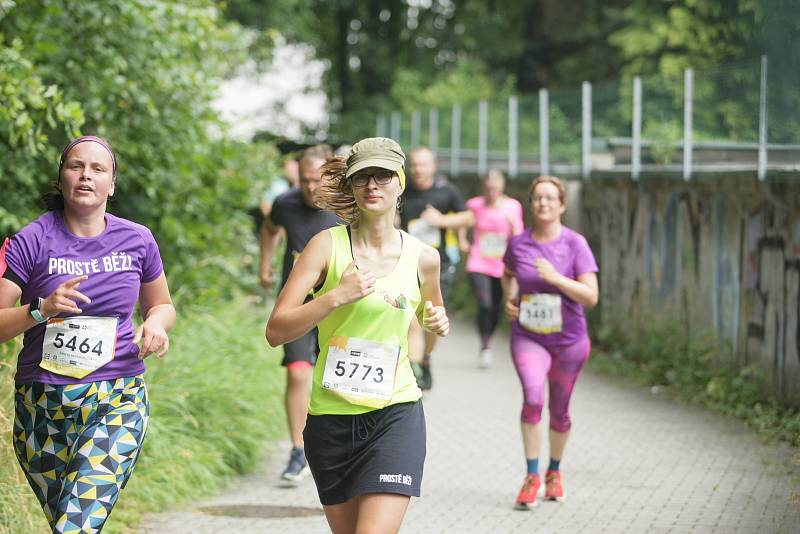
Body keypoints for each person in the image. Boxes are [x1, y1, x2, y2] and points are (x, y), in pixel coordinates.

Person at [266, 137, 449, 533]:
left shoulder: (424, 258)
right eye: (362, 177)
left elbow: (432, 315)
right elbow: (276, 330)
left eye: (382, 176)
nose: (372, 185)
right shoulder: (324, 247)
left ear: (400, 183)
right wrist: (335, 297)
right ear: (350, 185)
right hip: (331, 420)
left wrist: (437, 325)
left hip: (395, 414)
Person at [0, 136, 176, 533]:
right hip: (42, 408)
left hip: (117, 398)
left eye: (98, 169)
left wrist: (155, 324)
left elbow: (162, 305)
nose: (86, 176)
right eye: (76, 166)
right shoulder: (31, 240)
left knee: (76, 525)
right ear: (61, 177)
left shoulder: (137, 239)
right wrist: (40, 309)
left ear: (111, 184)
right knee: (69, 522)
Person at [502, 175, 598, 509]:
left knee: (560, 409)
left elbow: (591, 296)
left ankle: (554, 472)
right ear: (531, 204)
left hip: (569, 341)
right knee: (532, 397)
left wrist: (557, 278)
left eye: (549, 198)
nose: (543, 203)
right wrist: (510, 299)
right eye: (537, 198)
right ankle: (531, 476)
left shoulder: (575, 244)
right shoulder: (519, 244)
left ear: (562, 205)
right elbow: (508, 273)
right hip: (528, 336)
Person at [259, 144, 340, 482]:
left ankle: (336, 446)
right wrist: (265, 265)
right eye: (305, 180)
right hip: (297, 305)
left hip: (339, 305)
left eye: (317, 180)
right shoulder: (286, 203)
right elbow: (269, 229)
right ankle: (297, 449)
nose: (310, 187)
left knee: (333, 377)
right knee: (297, 373)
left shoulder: (345, 207)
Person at [400, 146, 470, 390]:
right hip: (407, 264)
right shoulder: (402, 192)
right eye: (415, 165)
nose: (418, 169)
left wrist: (441, 221)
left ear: (433, 166)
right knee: (411, 319)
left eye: (423, 164)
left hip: (439, 265)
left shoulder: (446, 192)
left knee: (433, 316)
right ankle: (414, 366)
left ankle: (426, 357)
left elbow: (467, 217)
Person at [464, 169, 524, 369]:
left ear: (502, 187)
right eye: (489, 188)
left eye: (496, 188)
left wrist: (515, 229)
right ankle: (485, 344)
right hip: (478, 261)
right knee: (485, 303)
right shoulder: (474, 204)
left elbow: (520, 233)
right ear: (485, 187)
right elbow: (462, 221)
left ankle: (488, 339)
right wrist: (463, 239)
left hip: (502, 265)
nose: (492, 192)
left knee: (497, 305)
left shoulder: (512, 206)